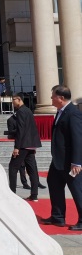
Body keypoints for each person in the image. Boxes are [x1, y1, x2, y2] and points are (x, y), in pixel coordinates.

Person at [40, 85, 82, 230]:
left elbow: (78, 139)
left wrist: (77, 162)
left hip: (70, 161)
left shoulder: (73, 113)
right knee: (54, 184)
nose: (51, 99)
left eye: (53, 96)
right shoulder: (61, 112)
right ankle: (58, 217)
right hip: (58, 160)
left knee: (77, 189)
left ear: (61, 98)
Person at [6, 93, 42, 202]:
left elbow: (21, 130)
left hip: (23, 145)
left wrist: (17, 147)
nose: (12, 102)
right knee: (32, 170)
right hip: (31, 144)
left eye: (13, 99)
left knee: (13, 167)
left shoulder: (21, 112)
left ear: (19, 99)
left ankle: (12, 194)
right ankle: (34, 195)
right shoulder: (28, 110)